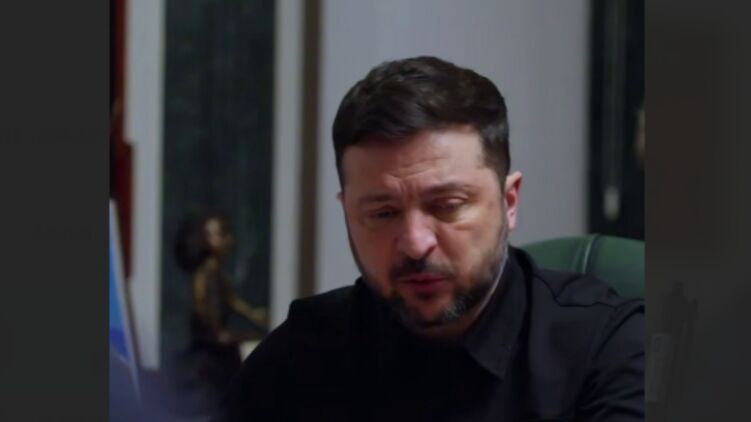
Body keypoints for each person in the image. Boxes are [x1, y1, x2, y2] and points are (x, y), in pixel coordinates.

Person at [215, 56, 644, 421]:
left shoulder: (609, 348)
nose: (415, 243)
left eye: (447, 206)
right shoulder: (301, 354)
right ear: (347, 212)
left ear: (509, 202)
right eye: (383, 213)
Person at [172, 210, 268, 413]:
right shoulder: (208, 277)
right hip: (209, 366)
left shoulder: (217, 276)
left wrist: (254, 317)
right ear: (205, 239)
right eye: (220, 234)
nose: (228, 240)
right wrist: (248, 337)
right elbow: (213, 327)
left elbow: (234, 303)